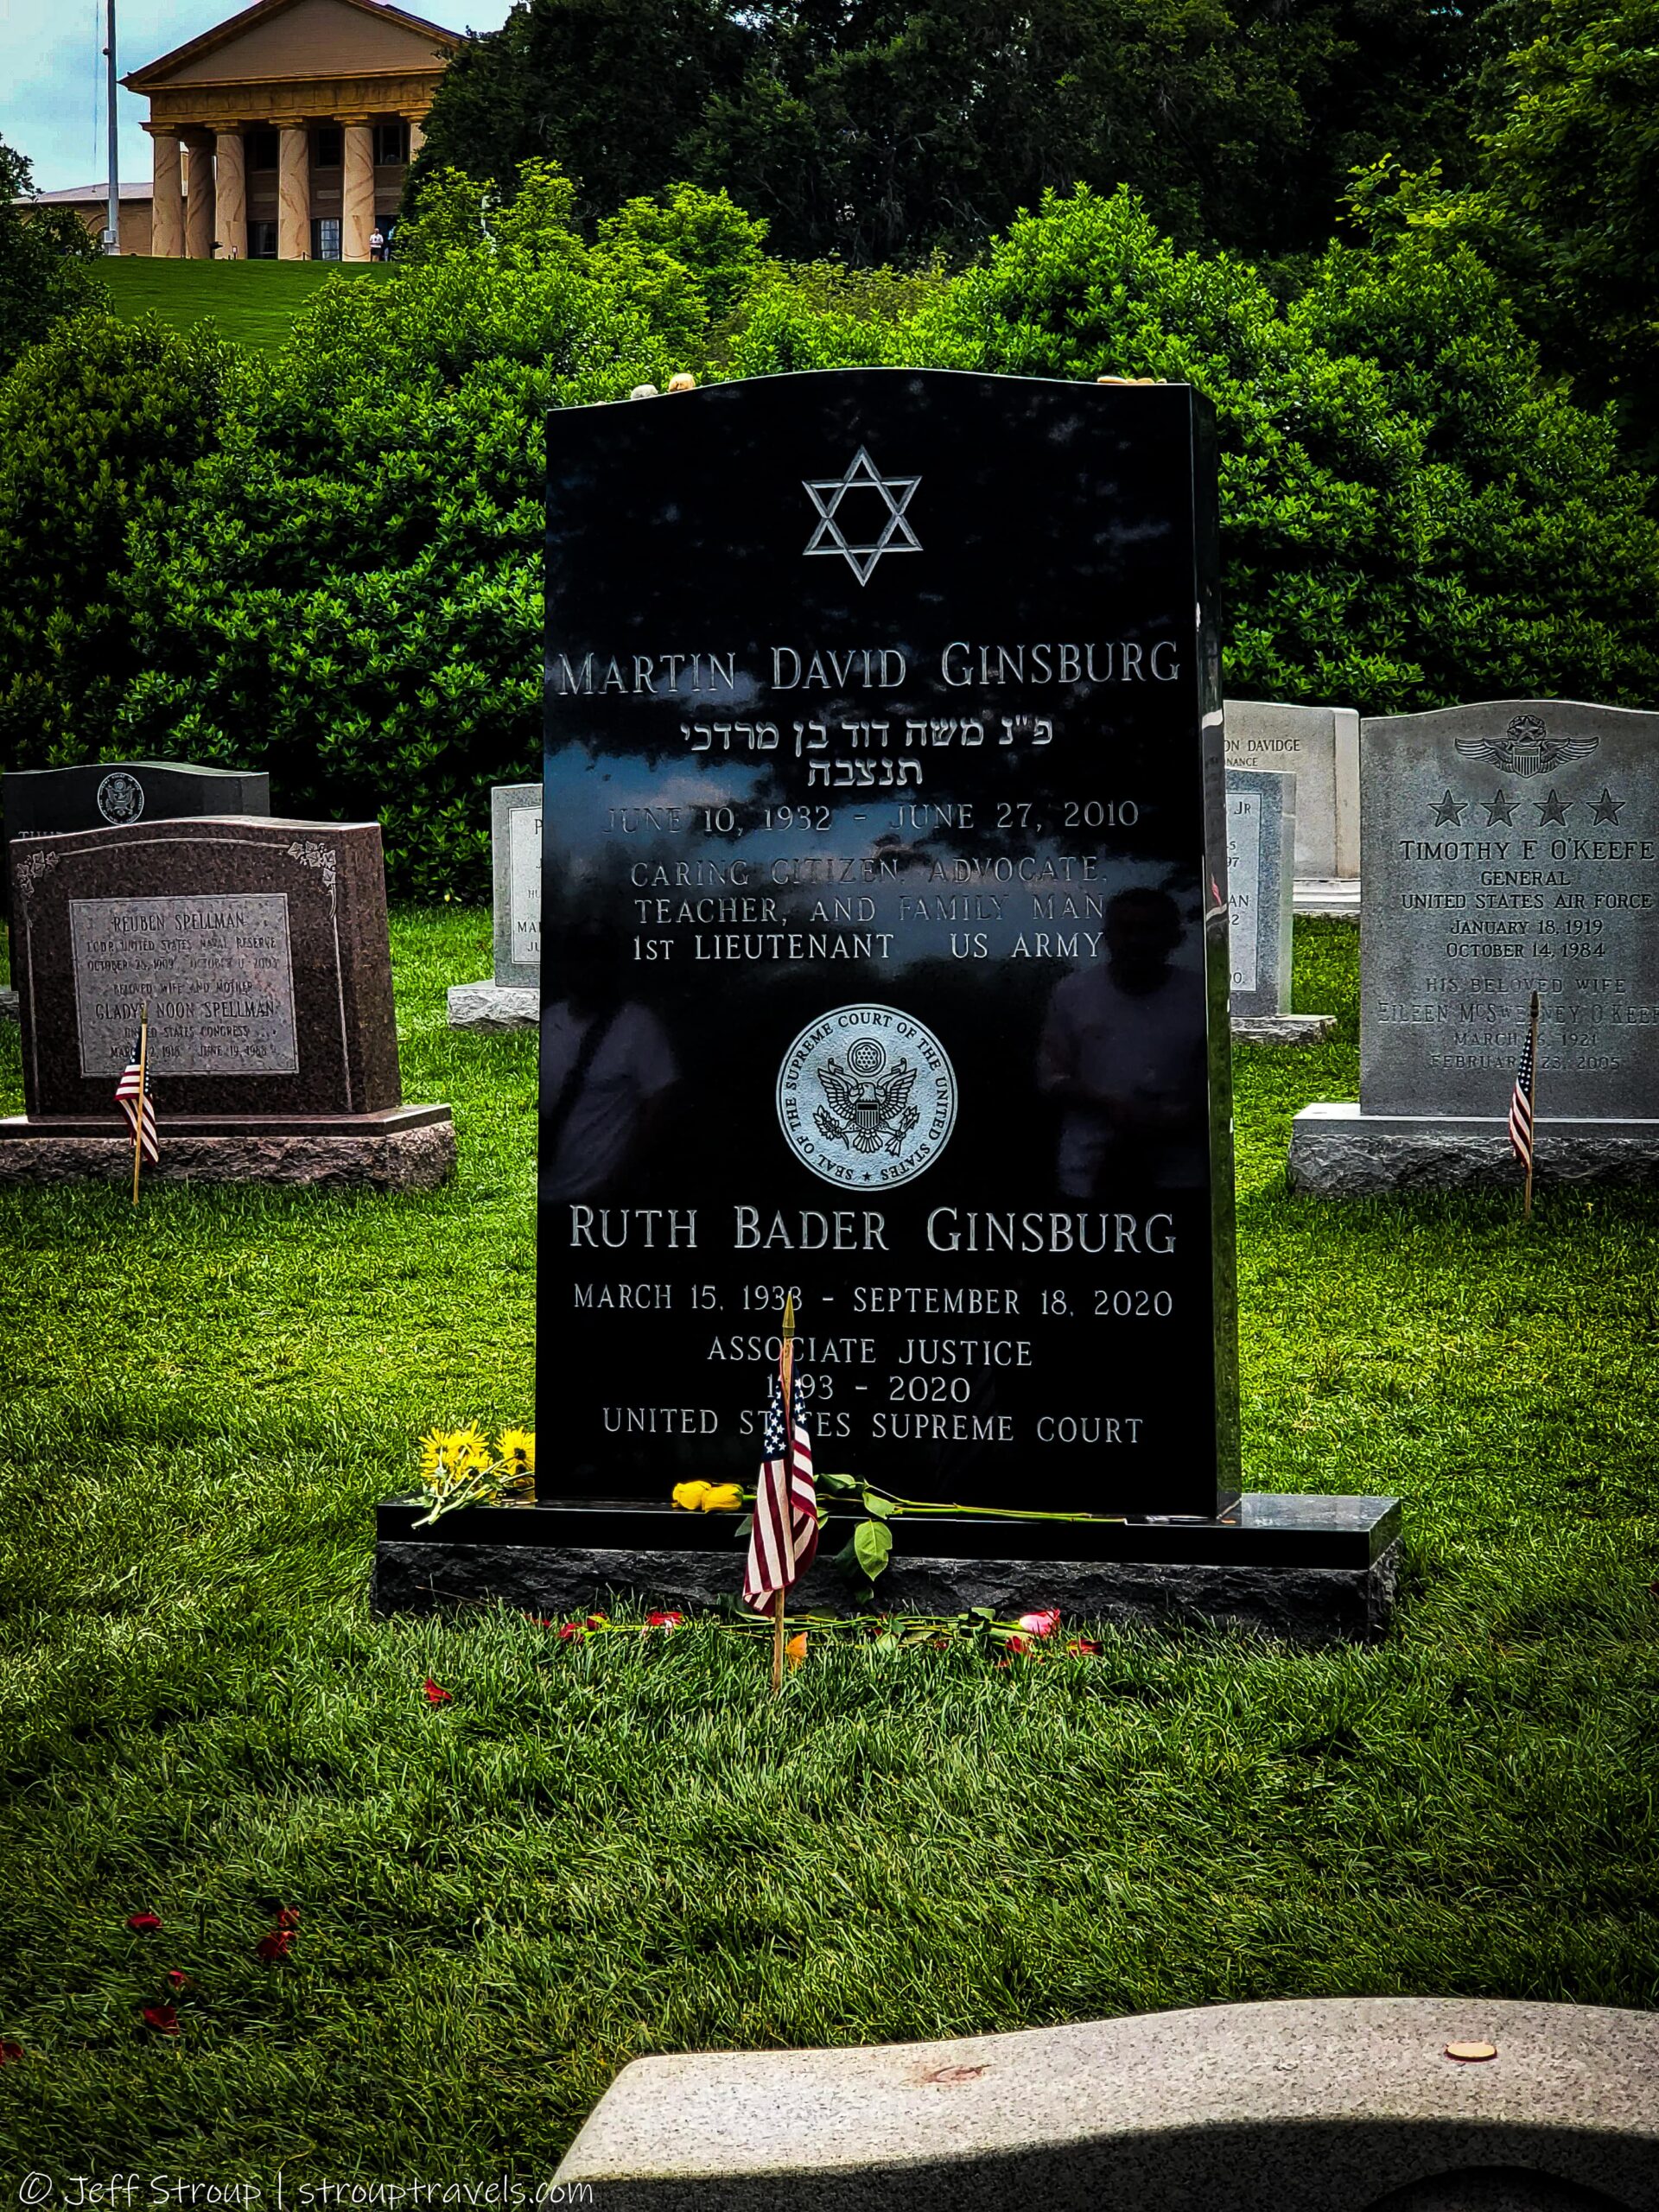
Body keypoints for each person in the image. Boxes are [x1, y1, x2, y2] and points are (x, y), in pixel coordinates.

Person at [1036, 886, 1208, 1196]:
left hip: (1181, 1174)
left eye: (1148, 930)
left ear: (1174, 938)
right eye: (1126, 930)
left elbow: (1217, 1080)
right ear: (1107, 937)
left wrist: (1179, 1115)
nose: (1136, 942)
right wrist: (1107, 1105)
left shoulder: (1201, 996)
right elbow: (1051, 1076)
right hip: (1088, 1171)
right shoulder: (1073, 993)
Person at [540, 918, 679, 1201]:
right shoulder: (549, 1021)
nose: (588, 968)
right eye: (581, 957)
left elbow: (662, 1104)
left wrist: (620, 1180)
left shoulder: (637, 1026)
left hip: (600, 1194)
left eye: (597, 958)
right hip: (547, 1190)